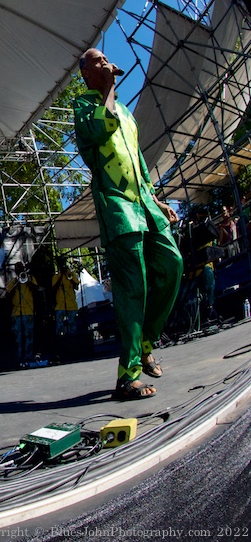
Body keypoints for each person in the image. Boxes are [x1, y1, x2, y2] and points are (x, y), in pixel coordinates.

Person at [74, 48, 183, 401]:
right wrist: (107, 90)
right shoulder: (85, 106)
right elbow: (97, 133)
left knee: (172, 265)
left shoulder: (128, 115)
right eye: (97, 61)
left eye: (107, 60)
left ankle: (146, 343)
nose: (105, 63)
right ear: (86, 73)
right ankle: (128, 375)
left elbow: (136, 162)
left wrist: (156, 198)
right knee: (132, 286)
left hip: (144, 203)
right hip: (117, 205)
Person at [4, 262, 38, 366]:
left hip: (28, 311)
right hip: (16, 313)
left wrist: (27, 281)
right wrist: (17, 282)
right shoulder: (14, 281)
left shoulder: (30, 278)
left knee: (29, 336)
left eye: (20, 268)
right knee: (18, 337)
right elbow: (7, 294)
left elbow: (36, 290)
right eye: (17, 268)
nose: (19, 270)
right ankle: (19, 358)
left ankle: (28, 356)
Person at [51, 256, 81, 338]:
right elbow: (53, 289)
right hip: (60, 306)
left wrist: (70, 278)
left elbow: (76, 287)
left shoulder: (71, 274)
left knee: (73, 329)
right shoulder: (56, 276)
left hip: (72, 305)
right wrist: (61, 277)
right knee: (60, 329)